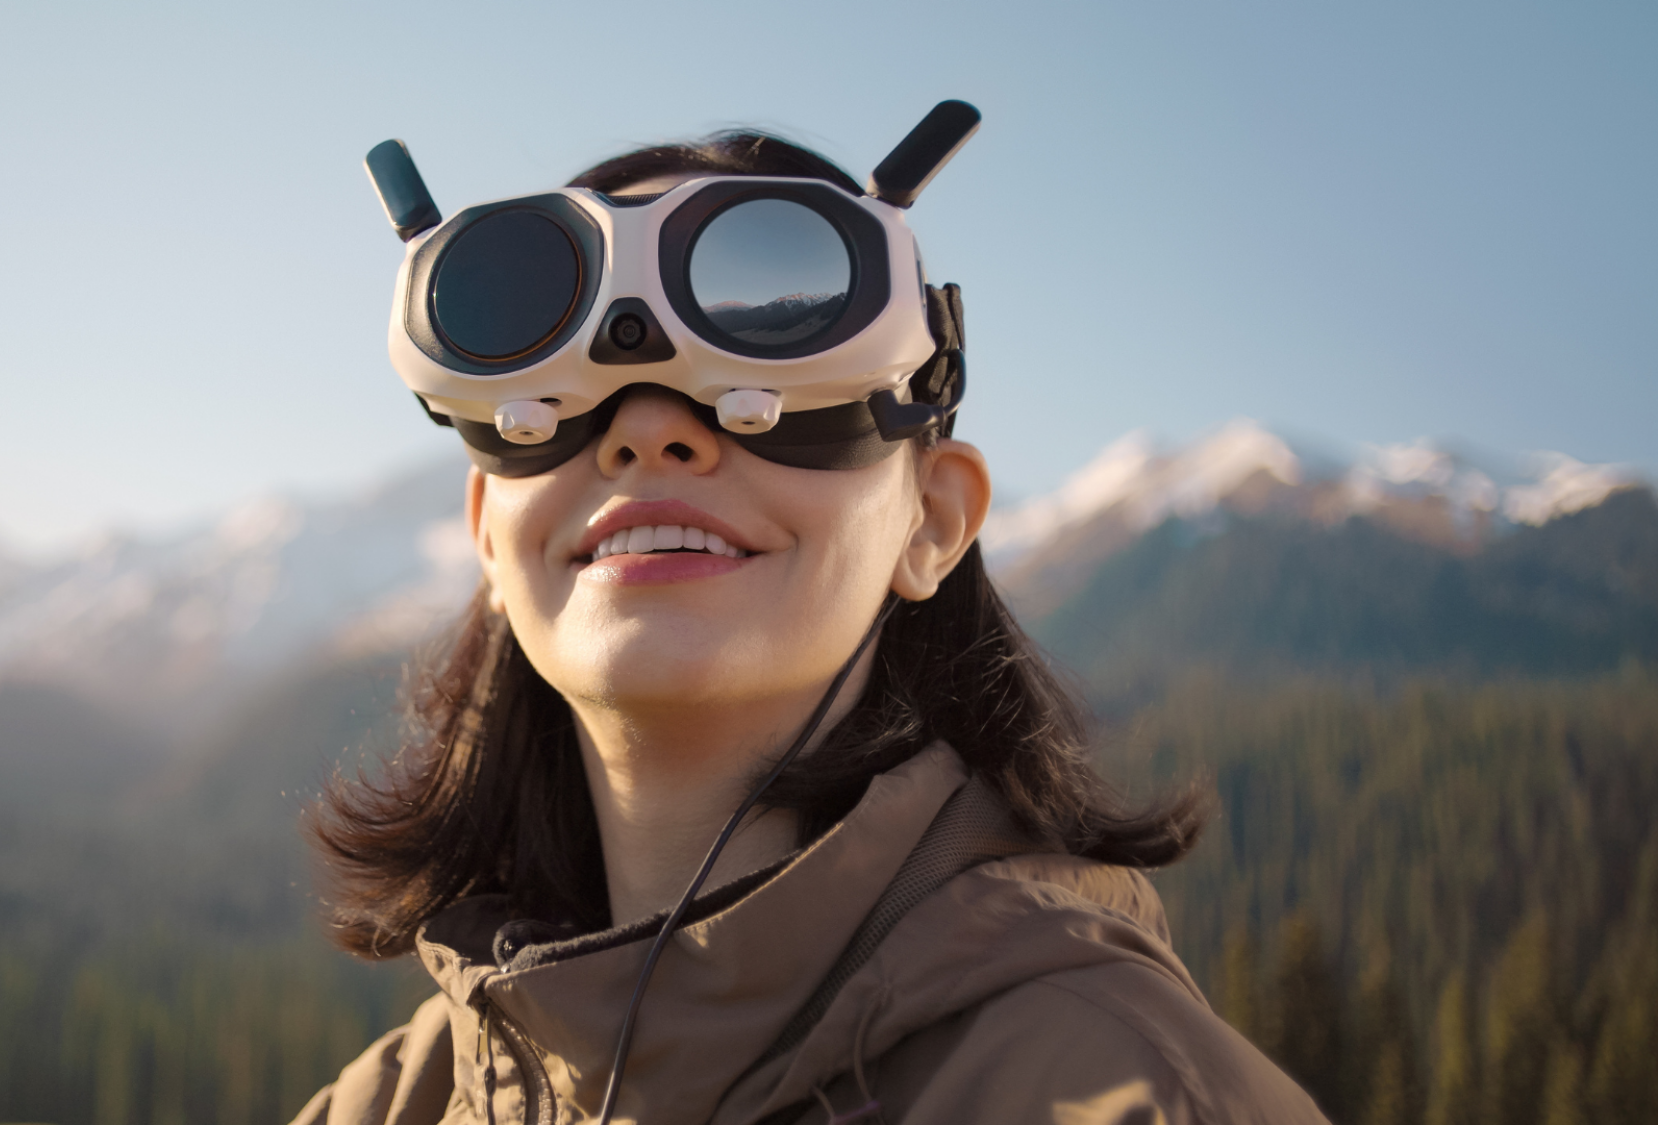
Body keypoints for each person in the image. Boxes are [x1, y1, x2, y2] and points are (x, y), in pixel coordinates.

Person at [292, 104, 1327, 1125]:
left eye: (765, 363)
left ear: (931, 520)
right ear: (488, 533)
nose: (648, 432)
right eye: (564, 403)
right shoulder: (399, 1104)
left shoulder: (1131, 1097)